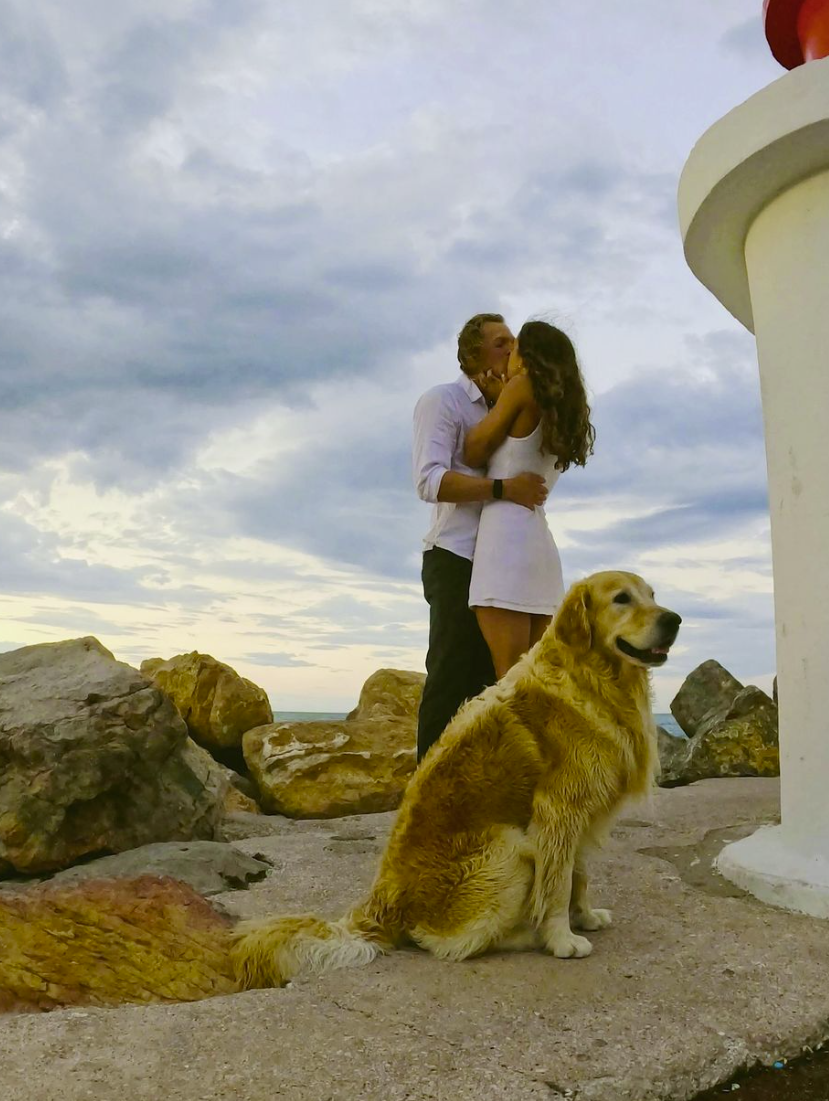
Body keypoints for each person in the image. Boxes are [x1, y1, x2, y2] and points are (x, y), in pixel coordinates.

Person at [412, 313, 549, 761]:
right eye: (500, 342)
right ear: (472, 355)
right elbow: (429, 481)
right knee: (450, 678)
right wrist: (501, 490)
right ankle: (426, 793)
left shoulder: (510, 403)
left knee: (494, 686)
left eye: (513, 342)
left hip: (503, 561)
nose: (511, 350)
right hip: (455, 556)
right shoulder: (443, 401)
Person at [464, 320, 595, 679]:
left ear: (527, 357)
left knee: (508, 680)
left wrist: (498, 399)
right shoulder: (563, 406)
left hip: (505, 541)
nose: (509, 354)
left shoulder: (521, 387)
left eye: (515, 348)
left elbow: (473, 450)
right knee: (536, 680)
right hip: (539, 545)